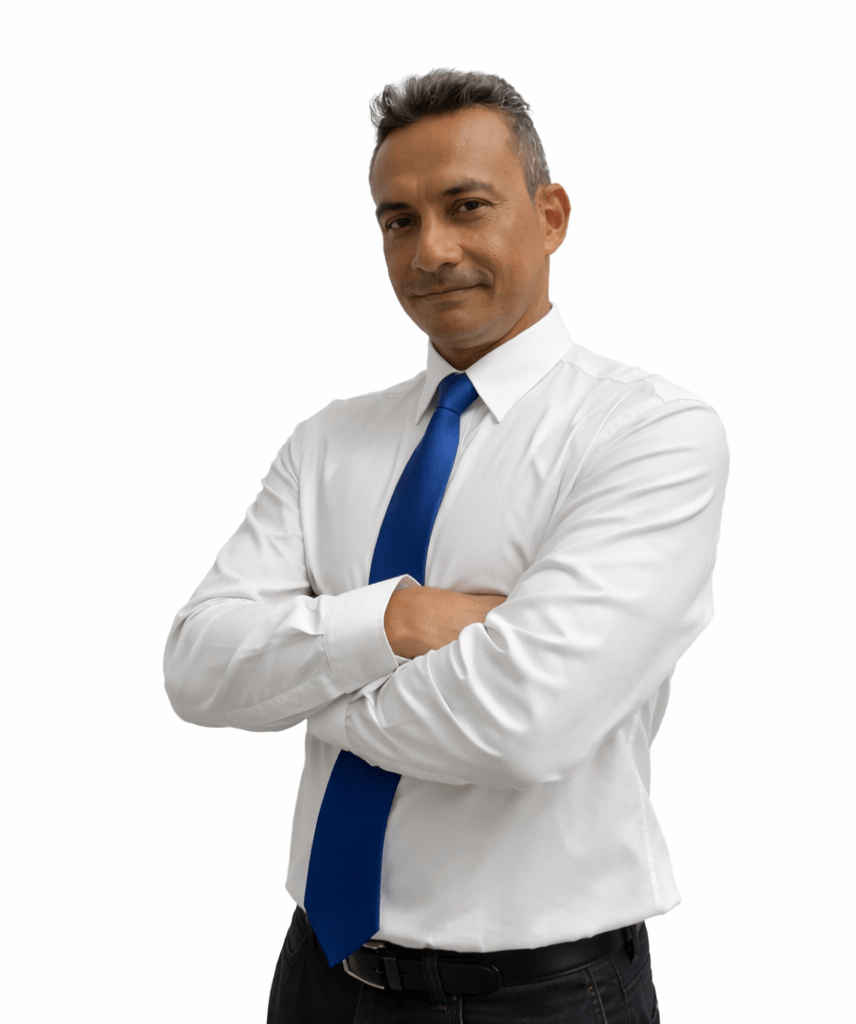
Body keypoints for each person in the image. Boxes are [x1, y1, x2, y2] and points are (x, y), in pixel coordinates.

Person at [164, 68, 729, 1023]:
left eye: (467, 206)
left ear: (550, 215)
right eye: (399, 220)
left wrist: (304, 682)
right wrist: (399, 620)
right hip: (318, 973)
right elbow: (195, 666)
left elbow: (524, 722)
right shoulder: (327, 442)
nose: (431, 249)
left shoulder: (650, 435)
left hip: (540, 995)